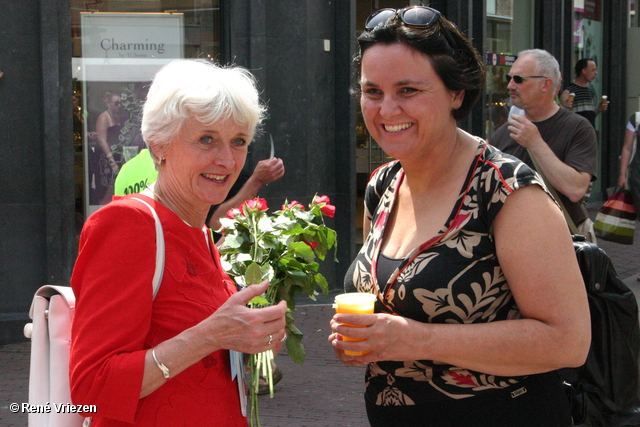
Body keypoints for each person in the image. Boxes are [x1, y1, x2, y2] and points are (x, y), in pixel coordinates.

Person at [328, 7, 590, 427]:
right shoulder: (383, 185)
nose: (386, 109)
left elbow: (568, 342)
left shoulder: (507, 191)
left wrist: (416, 340)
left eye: (408, 90)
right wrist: (367, 339)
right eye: (372, 91)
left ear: (456, 93)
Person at [69, 59, 288, 426]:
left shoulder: (199, 229)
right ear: (159, 146)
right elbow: (91, 388)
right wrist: (209, 335)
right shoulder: (128, 225)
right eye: (206, 139)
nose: (226, 159)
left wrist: (247, 341)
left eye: (238, 141)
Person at [492, 49, 599, 242]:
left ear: (546, 84)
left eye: (518, 79)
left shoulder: (578, 128)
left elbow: (575, 189)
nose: (510, 85)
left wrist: (535, 143)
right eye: (510, 78)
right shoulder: (503, 133)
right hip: (513, 240)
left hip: (561, 241)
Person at [559, 58, 609, 128]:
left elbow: (588, 118)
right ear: (584, 71)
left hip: (589, 134)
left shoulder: (589, 91)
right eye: (593, 70)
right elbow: (563, 116)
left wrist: (598, 110)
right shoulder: (568, 92)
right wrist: (566, 107)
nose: (596, 73)